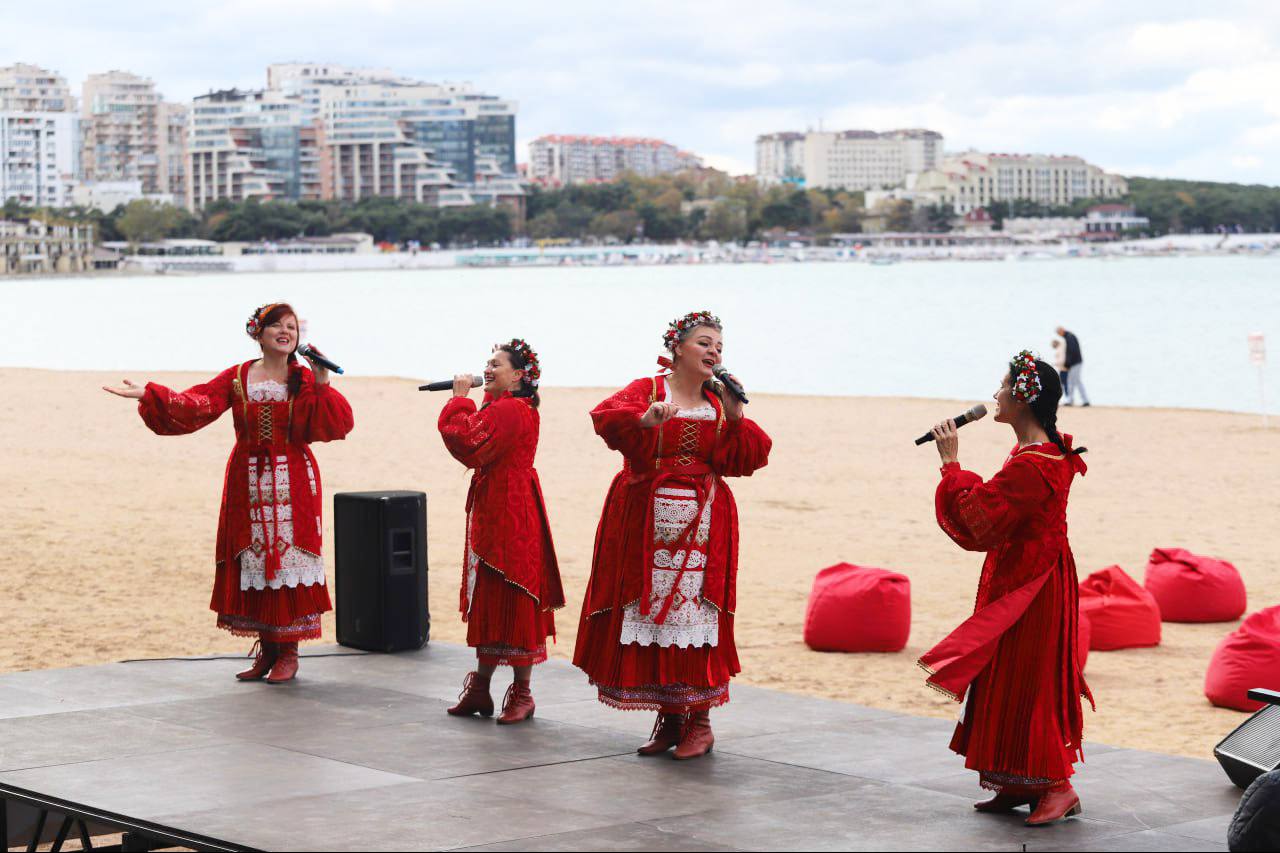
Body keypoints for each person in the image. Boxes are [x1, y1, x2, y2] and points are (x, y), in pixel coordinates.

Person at [103, 303, 353, 683]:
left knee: (289, 559)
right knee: (254, 559)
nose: (285, 332)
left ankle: (289, 652)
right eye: (276, 326)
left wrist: (321, 380)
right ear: (259, 332)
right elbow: (198, 404)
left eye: (291, 327)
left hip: (294, 477)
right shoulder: (237, 377)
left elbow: (328, 426)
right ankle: (267, 650)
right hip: (247, 479)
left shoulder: (302, 378)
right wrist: (150, 395)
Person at [573, 311, 772, 760]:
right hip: (645, 516)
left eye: (719, 346)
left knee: (695, 617)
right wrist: (646, 421)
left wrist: (737, 415)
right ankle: (671, 717)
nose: (714, 352)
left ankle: (699, 722)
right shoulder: (649, 389)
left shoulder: (720, 402)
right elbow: (607, 418)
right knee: (655, 617)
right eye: (704, 343)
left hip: (704, 519)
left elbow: (748, 459)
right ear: (678, 347)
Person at [920, 350, 1092, 826]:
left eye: (1002, 386)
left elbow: (981, 516)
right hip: (1025, 574)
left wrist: (951, 466)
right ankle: (1017, 781)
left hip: (1033, 585)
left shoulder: (1033, 464)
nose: (994, 395)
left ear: (1023, 398)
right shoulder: (1034, 453)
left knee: (1029, 680)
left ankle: (1057, 786)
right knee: (1004, 674)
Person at [437, 339, 565, 724]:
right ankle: (481, 688)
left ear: (519, 376)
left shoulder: (510, 409)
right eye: (486, 363)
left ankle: (522, 693)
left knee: (514, 592)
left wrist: (459, 399)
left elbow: (466, 440)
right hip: (499, 503)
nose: (487, 369)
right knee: (491, 595)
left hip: (511, 508)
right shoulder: (504, 407)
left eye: (496, 364)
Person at [1055, 326, 1089, 406]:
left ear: (1062, 330)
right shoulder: (1068, 336)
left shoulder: (1069, 337)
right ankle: (1071, 400)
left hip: (1075, 363)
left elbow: (1071, 351)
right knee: (1071, 381)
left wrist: (1067, 363)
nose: (1059, 335)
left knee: (1075, 381)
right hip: (1074, 363)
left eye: (1059, 333)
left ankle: (1084, 400)